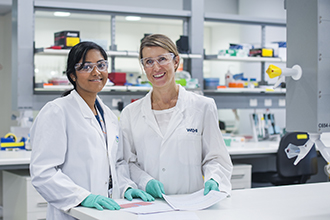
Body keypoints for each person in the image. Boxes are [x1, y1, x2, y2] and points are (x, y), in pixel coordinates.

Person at [29, 41, 153, 220]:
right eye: (86, 67)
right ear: (72, 75)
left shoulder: (109, 116)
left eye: (101, 65)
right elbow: (43, 172)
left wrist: (127, 187)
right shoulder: (57, 111)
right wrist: (82, 197)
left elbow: (117, 163)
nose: (96, 72)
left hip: (108, 211)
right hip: (73, 212)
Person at [120, 34, 233, 198]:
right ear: (144, 67)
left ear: (176, 61)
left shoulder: (203, 106)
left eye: (162, 59)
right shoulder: (131, 113)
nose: (156, 67)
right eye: (149, 62)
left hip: (191, 202)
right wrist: (145, 181)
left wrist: (214, 179)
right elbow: (127, 162)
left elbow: (216, 158)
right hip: (150, 204)